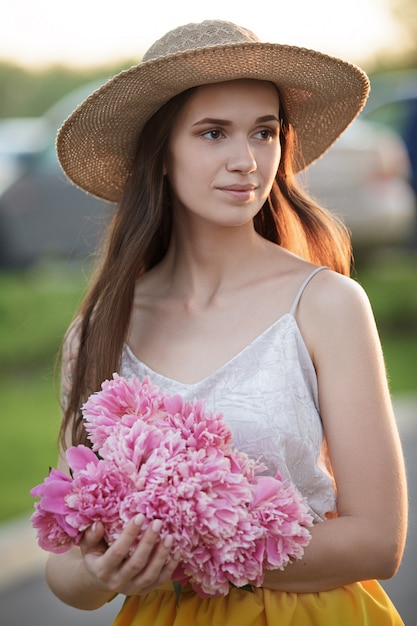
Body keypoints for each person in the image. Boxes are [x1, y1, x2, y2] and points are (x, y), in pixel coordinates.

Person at [45, 19, 408, 625]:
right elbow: (66, 555)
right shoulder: (100, 330)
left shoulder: (327, 305)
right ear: (160, 154)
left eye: (264, 133)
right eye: (213, 133)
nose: (246, 161)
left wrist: (193, 543)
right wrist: (98, 572)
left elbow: (378, 539)